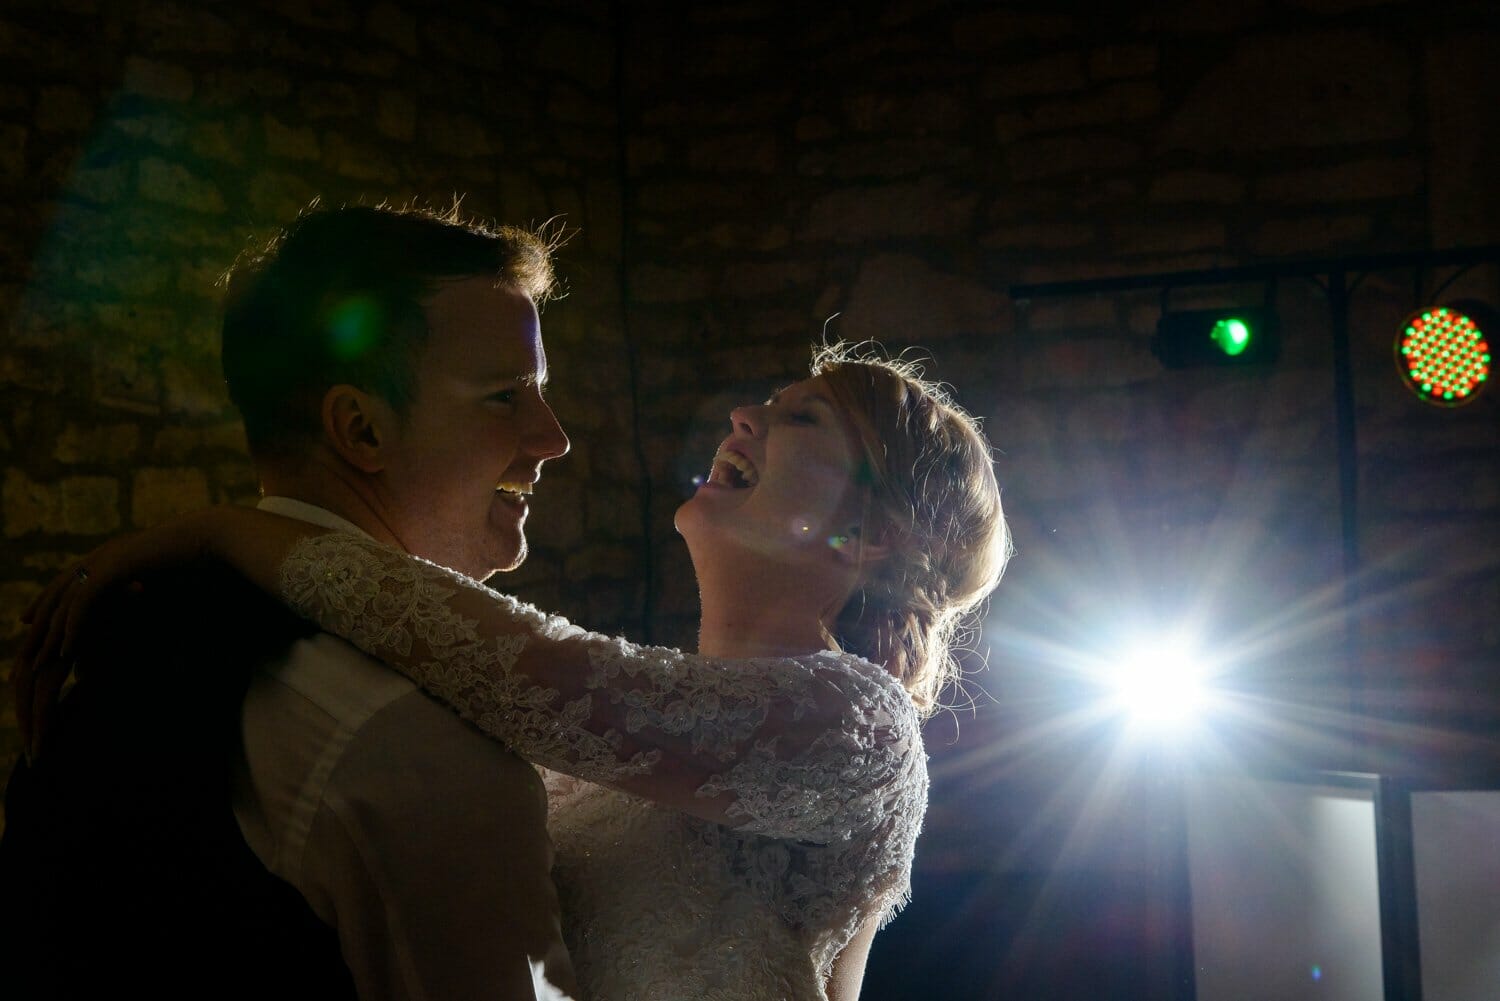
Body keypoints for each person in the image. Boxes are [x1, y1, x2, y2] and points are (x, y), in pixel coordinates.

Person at [17, 339, 1011, 1000]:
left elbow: (524, 670)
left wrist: (230, 527)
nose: (745, 416)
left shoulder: (863, 725)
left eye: (802, 420)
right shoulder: (617, 747)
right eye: (768, 402)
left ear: (871, 535)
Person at [2, 203, 578, 1000]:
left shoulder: (147, 627)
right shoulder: (415, 742)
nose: (554, 438)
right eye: (504, 396)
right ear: (361, 432)